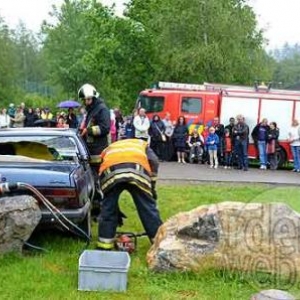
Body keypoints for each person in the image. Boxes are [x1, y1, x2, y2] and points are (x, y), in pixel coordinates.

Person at [96, 139, 163, 250]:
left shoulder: (110, 148)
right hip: (136, 172)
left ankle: (104, 244)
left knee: (108, 208)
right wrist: (152, 187)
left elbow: (99, 165)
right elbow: (154, 161)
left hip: (111, 174)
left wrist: (111, 204)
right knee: (147, 208)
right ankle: (159, 243)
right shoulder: (143, 145)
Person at [78, 83, 111, 210]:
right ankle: (96, 205)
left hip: (98, 151)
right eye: (85, 100)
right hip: (91, 151)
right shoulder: (92, 110)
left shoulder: (102, 109)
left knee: (98, 181)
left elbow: (105, 128)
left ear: (94, 98)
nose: (86, 102)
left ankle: (102, 206)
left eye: (88, 99)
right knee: (92, 180)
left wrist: (89, 130)